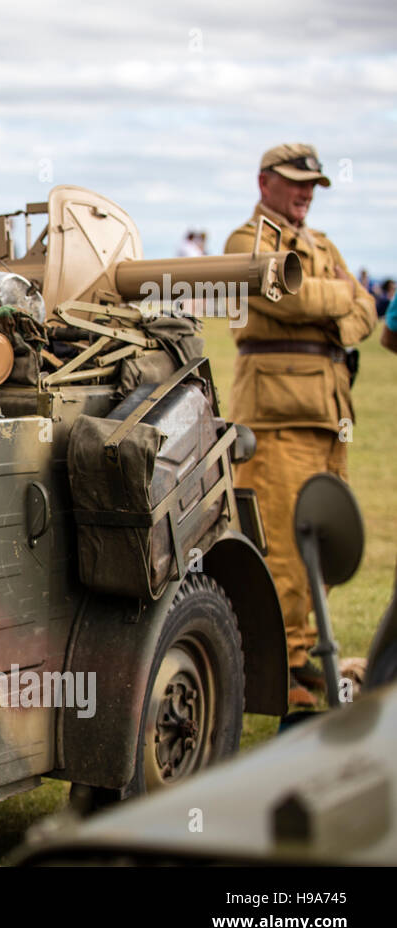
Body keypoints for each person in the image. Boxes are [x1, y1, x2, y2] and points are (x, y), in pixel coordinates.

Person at [224, 143, 378, 708]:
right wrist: (342, 295)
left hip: (328, 413)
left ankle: (301, 652)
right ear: (264, 182)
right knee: (283, 543)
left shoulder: (320, 243)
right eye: (295, 181)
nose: (306, 192)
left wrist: (340, 307)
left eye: (312, 183)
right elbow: (286, 298)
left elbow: (367, 311)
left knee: (322, 540)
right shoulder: (246, 242)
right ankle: (274, 663)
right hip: (277, 414)